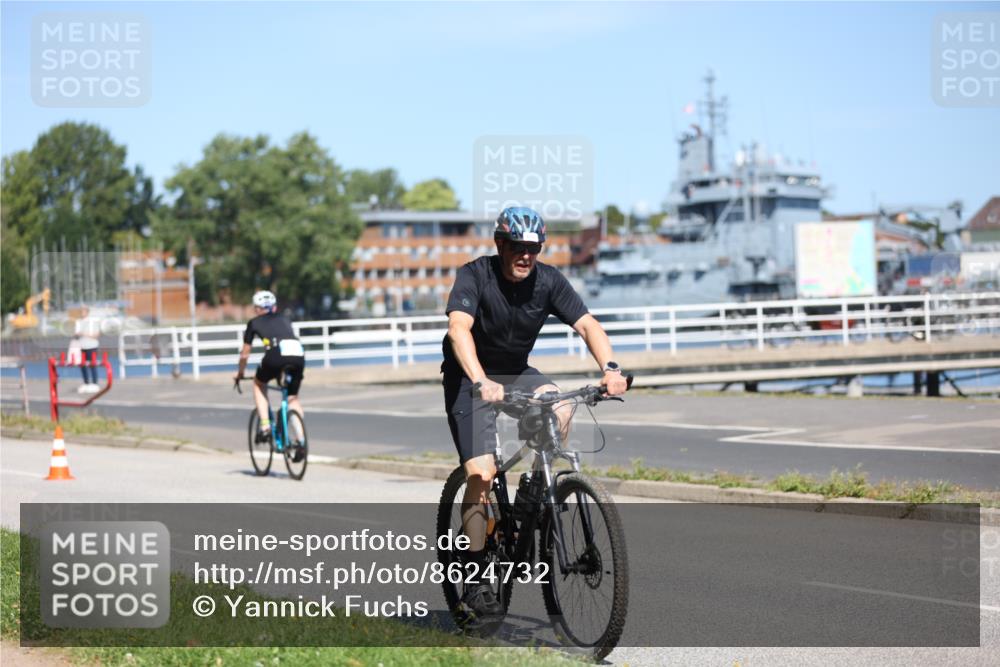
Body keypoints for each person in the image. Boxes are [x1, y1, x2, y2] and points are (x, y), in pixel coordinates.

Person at [441, 206, 628, 619]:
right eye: (519, 248)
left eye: (534, 248)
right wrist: (479, 380)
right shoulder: (475, 275)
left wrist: (610, 368)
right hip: (469, 377)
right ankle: (473, 578)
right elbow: (458, 329)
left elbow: (587, 325)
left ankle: (530, 493)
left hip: (515, 373)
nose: (527, 255)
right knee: (482, 474)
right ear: (501, 245)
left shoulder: (548, 281)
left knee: (560, 404)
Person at [234, 291, 306, 456]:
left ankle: (265, 425)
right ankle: (301, 441)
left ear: (257, 308)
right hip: (298, 353)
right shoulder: (285, 319)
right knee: (292, 398)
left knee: (259, 383)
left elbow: (245, 354)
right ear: (274, 307)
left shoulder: (254, 323)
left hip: (276, 354)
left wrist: (240, 373)